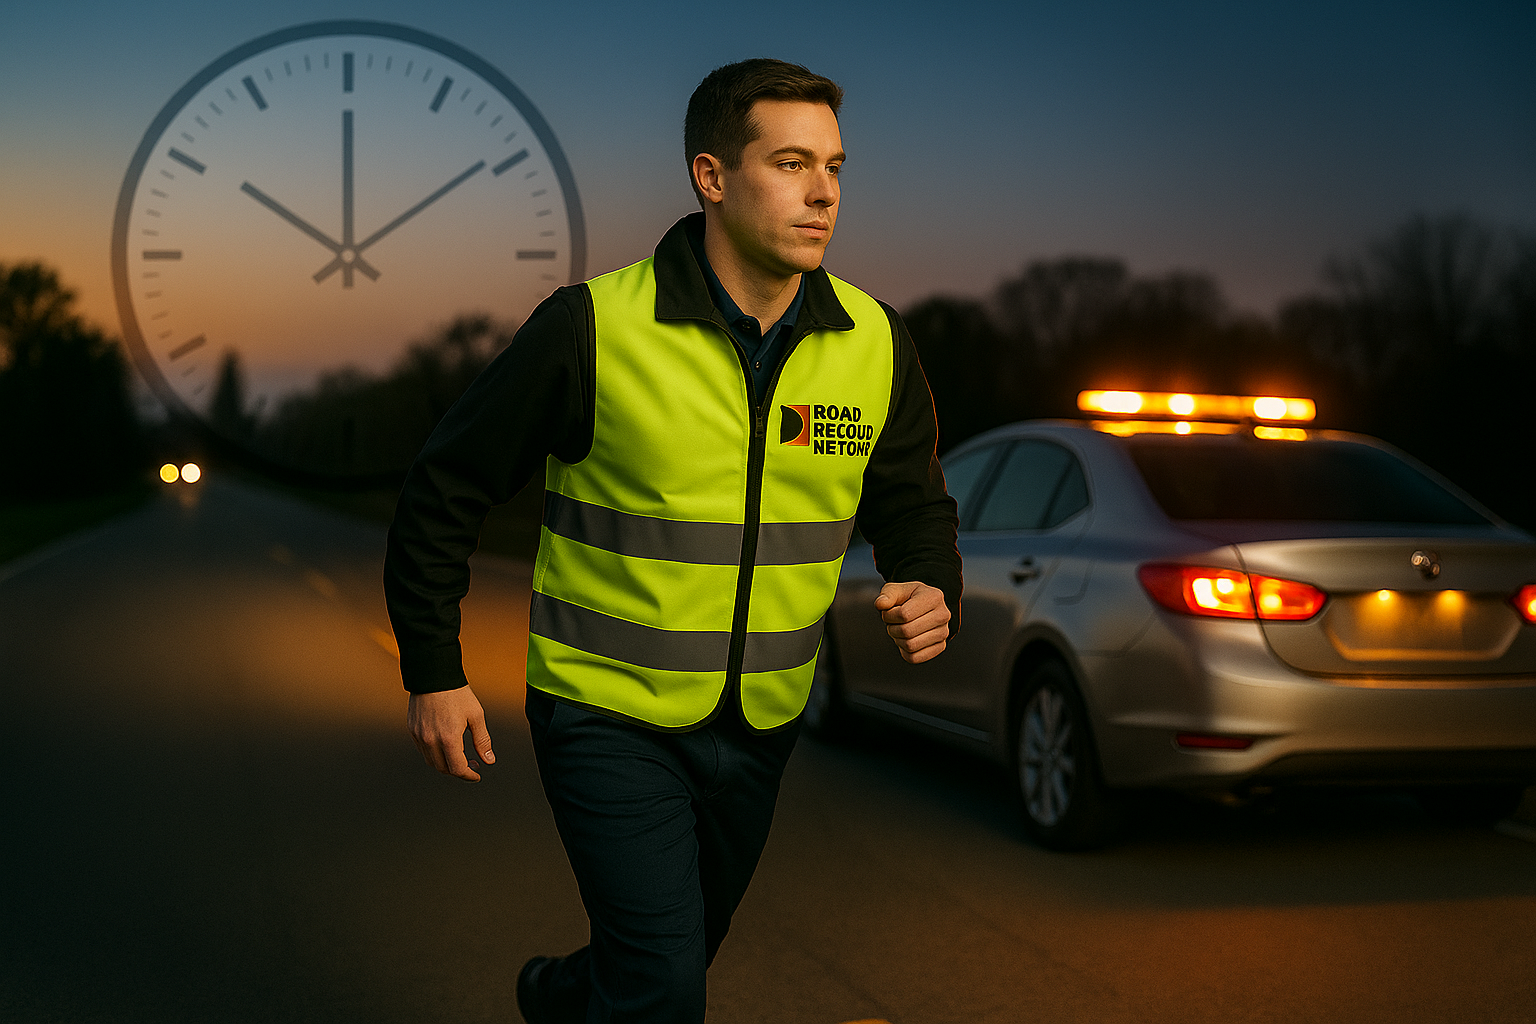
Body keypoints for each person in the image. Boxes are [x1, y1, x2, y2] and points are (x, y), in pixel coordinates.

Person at [384, 58, 961, 1024]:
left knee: (671, 958)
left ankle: (559, 998)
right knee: (661, 984)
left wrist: (929, 580)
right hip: (604, 712)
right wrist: (434, 669)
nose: (823, 193)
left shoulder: (874, 340)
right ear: (712, 176)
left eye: (835, 166)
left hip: (763, 722)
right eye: (789, 163)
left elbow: (912, 503)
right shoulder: (593, 328)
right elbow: (446, 486)